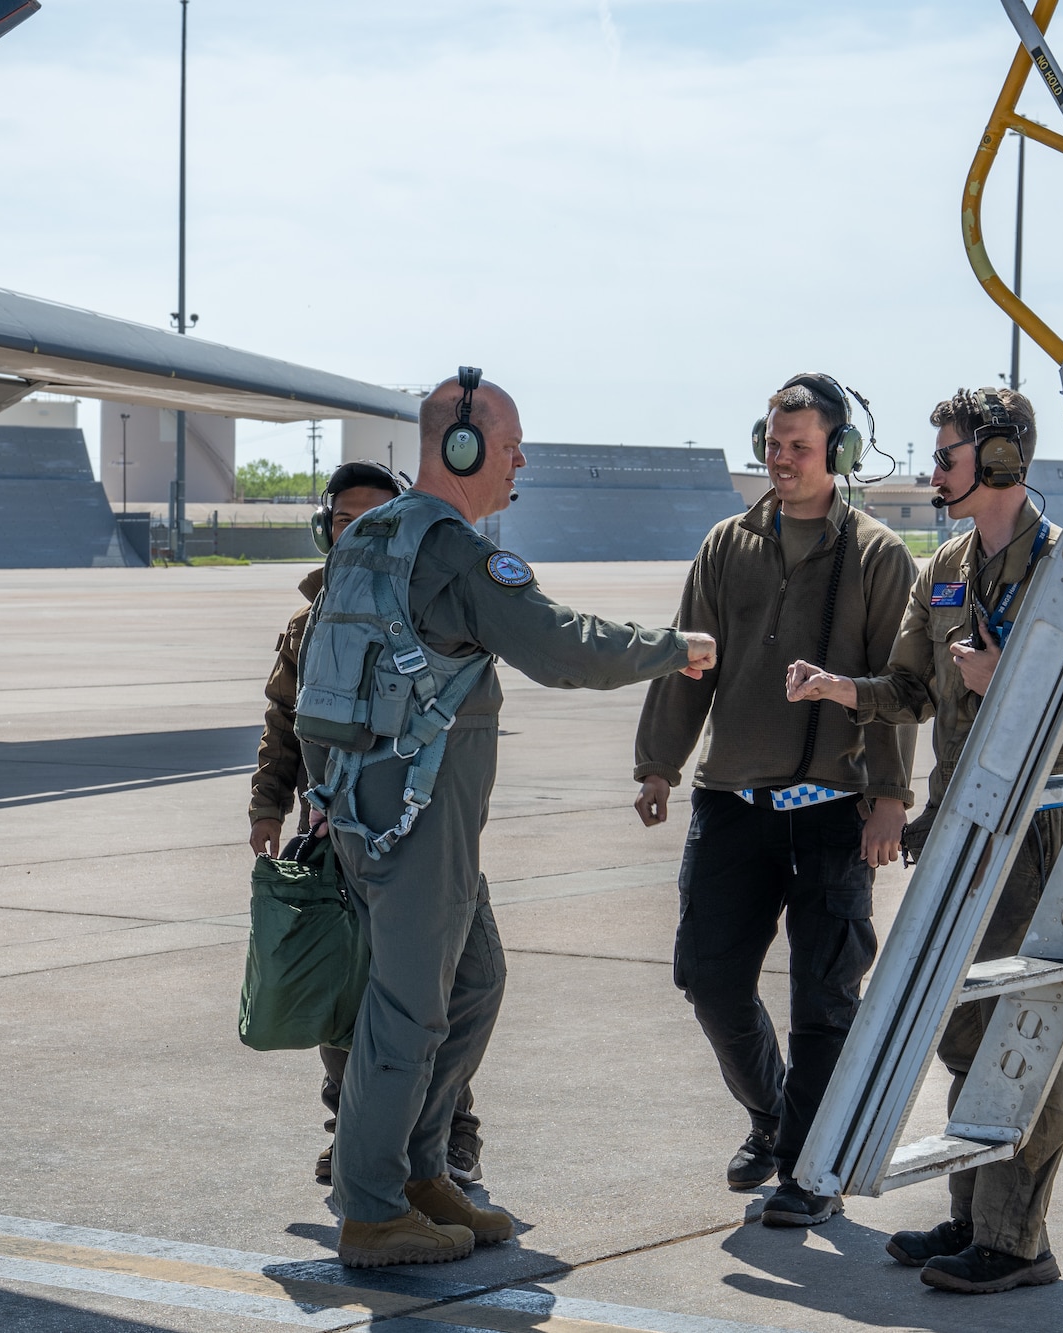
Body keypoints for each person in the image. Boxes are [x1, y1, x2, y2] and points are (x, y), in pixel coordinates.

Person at [305, 371, 717, 1268]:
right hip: (416, 818)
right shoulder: (451, 551)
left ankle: (418, 1170)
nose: (521, 458)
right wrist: (671, 649)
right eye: (510, 442)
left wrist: (330, 796)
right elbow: (560, 646)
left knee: (475, 980)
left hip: (372, 805)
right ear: (462, 447)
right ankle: (372, 1206)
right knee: (410, 1007)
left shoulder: (369, 534)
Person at [785, 387, 1063, 1294]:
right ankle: (971, 1212)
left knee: (1024, 1025)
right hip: (958, 824)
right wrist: (839, 688)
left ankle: (1017, 1240)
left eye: (947, 456)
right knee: (962, 1023)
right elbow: (912, 688)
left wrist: (1013, 673)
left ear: (1000, 462)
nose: (935, 469)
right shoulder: (942, 565)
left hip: (1032, 827)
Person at [633, 372, 916, 1228]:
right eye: (771, 442)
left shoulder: (875, 555)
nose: (779, 458)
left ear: (840, 451)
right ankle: (772, 1114)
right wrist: (659, 764)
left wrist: (890, 797)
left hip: (835, 810)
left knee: (824, 999)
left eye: (797, 445)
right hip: (735, 801)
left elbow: (899, 689)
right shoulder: (727, 544)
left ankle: (810, 1169)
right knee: (709, 975)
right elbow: (692, 662)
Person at [246, 460, 487, 1190]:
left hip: (416, 837)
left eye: (375, 516)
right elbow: (283, 722)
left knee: (441, 995)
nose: (359, 531)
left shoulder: (428, 610)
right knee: (343, 991)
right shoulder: (311, 622)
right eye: (345, 519)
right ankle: (351, 1129)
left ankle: (448, 1133)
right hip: (335, 841)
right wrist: (267, 803)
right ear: (327, 528)